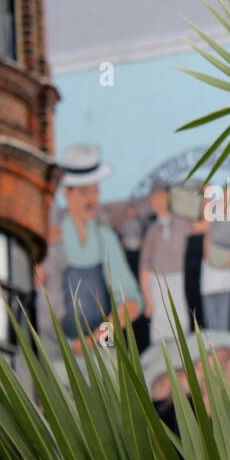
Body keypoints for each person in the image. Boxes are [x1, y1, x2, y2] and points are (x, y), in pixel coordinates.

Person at [52, 143, 141, 348]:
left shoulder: (106, 239)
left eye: (95, 192)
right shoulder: (56, 238)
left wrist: (97, 339)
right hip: (59, 350)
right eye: (84, 193)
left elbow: (131, 304)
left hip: (102, 348)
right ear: (67, 193)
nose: (92, 200)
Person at [139, 181, 192, 342]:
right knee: (160, 324)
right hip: (158, 282)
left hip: (179, 280)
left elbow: (203, 225)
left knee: (180, 320)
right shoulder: (152, 231)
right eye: (155, 198)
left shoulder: (182, 223)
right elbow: (144, 267)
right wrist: (148, 299)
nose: (159, 202)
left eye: (163, 197)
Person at [200, 183, 230, 331]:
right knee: (210, 312)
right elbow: (207, 236)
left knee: (224, 310)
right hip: (210, 264)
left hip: (226, 264)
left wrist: (229, 261)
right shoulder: (212, 209)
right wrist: (209, 257)